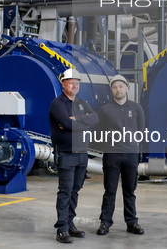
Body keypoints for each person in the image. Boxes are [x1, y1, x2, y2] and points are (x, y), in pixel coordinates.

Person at [49, 68, 99, 244]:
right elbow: (64, 122)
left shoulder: (81, 103)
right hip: (66, 154)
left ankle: (70, 223)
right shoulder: (58, 104)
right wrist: (79, 122)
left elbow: (95, 119)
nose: (74, 85)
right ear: (63, 84)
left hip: (81, 154)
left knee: (75, 190)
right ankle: (61, 229)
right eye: (71, 82)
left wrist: (76, 120)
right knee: (65, 192)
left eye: (77, 83)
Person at [96, 75, 145, 236]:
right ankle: (105, 222)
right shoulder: (105, 109)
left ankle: (132, 222)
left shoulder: (136, 108)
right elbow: (99, 130)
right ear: (112, 90)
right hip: (111, 155)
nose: (118, 89)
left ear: (127, 88)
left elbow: (141, 130)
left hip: (131, 154)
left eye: (121, 86)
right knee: (110, 190)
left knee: (129, 190)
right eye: (115, 87)